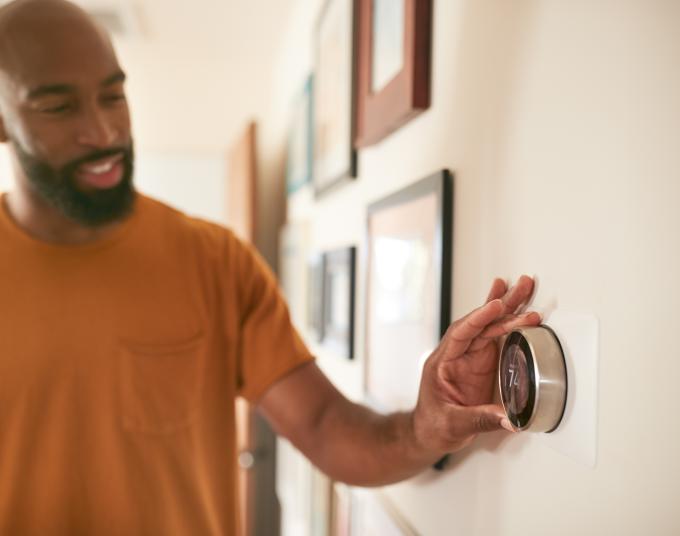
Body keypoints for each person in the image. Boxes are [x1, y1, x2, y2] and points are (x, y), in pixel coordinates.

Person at [0, 0, 541, 534]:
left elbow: (325, 426)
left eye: (113, 95)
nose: (103, 131)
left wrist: (425, 427)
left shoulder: (215, 261)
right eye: (57, 107)